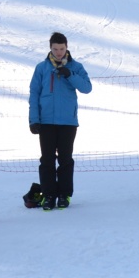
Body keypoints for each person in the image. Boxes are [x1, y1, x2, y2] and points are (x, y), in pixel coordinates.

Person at [28, 31, 93, 210]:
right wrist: (34, 119)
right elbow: (34, 93)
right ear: (50, 48)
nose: (58, 52)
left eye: (62, 49)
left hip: (68, 122)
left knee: (65, 159)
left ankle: (64, 195)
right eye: (55, 49)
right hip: (46, 121)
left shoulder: (75, 66)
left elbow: (87, 88)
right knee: (47, 160)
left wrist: (69, 74)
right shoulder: (42, 68)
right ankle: (48, 195)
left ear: (67, 48)